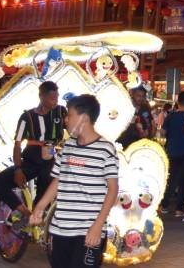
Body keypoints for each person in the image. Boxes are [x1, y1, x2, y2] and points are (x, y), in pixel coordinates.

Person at [31, 94, 119, 268]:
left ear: (84, 118)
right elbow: (58, 179)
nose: (66, 120)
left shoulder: (105, 149)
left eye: (70, 115)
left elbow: (113, 190)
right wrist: (40, 207)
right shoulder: (68, 145)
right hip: (60, 228)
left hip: (89, 230)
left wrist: (97, 226)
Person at [0, 80, 65, 215]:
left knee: (46, 179)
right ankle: (25, 212)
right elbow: (17, 145)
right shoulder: (27, 117)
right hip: (30, 162)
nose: (55, 102)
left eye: (57, 98)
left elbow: (74, 130)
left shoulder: (61, 112)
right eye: (52, 98)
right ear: (41, 97)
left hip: (51, 161)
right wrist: (18, 169)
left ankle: (38, 216)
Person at [160, 91, 184, 215]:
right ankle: (179, 209)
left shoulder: (171, 116)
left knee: (172, 179)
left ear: (178, 102)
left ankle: (165, 205)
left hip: (172, 150)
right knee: (183, 181)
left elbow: (162, 132)